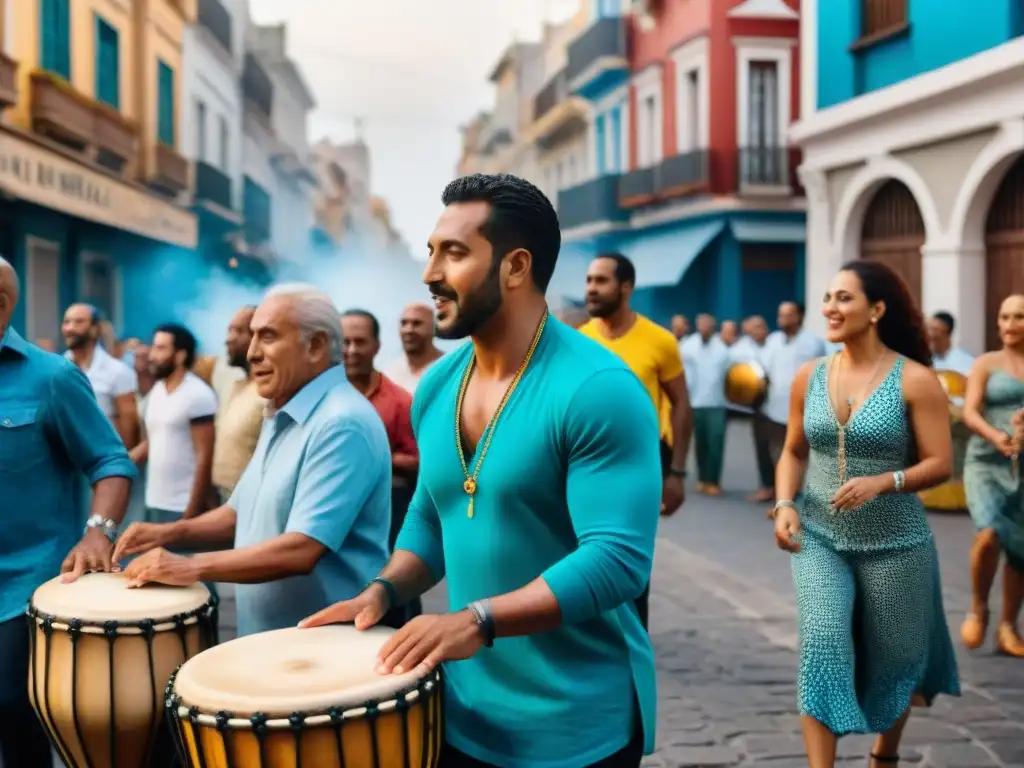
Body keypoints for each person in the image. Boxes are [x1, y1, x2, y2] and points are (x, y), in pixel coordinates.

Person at [301, 174, 658, 768]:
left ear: (516, 267)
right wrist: (382, 592)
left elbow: (618, 561)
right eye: (432, 251)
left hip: (574, 727)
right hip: (460, 714)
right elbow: (431, 514)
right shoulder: (438, 384)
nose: (430, 273)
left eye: (455, 253)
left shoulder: (598, 389)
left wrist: (477, 620)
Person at [113, 284, 392, 638]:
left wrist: (188, 565)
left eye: (269, 337)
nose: (253, 353)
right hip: (272, 642)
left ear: (317, 346)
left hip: (321, 653)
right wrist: (169, 533)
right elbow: (239, 512)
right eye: (253, 336)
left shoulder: (341, 423)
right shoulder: (282, 410)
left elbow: (301, 549)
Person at [772, 260, 959, 768]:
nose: (830, 308)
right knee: (823, 645)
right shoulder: (809, 376)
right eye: (828, 298)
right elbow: (792, 451)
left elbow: (941, 463)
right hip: (820, 537)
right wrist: (785, 505)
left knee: (896, 660)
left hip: (896, 543)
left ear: (876, 310)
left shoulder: (916, 380)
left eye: (844, 298)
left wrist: (886, 481)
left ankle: (884, 756)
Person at [0, 257, 137, 766]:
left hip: (23, 588)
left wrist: (98, 532)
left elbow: (110, 460)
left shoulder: (54, 377)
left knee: (14, 712)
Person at [578, 252, 692, 517]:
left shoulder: (660, 341)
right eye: (589, 281)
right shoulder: (579, 339)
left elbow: (681, 404)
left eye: (601, 281)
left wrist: (676, 472)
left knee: (629, 550)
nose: (591, 289)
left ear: (626, 287)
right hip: (585, 467)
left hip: (639, 467)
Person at [342, 308, 422, 624]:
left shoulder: (400, 401)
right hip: (339, 519)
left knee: (396, 587)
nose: (351, 350)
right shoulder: (324, 395)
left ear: (376, 346)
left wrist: (373, 456)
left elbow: (419, 462)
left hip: (389, 513)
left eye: (360, 342)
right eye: (345, 342)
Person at [960, 294, 1024, 657]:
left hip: (1023, 463)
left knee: (1020, 548)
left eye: (1019, 316)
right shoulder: (986, 363)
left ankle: (1008, 626)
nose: (1011, 324)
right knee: (989, 533)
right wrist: (994, 435)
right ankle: (978, 606)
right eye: (1005, 316)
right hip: (986, 459)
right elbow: (969, 412)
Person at [133, 324, 217, 524]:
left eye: (161, 348)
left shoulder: (198, 394)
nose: (152, 355)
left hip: (182, 506)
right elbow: (154, 440)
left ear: (180, 355)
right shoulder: (158, 390)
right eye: (153, 347)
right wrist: (121, 463)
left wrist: (192, 510)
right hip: (153, 501)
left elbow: (204, 455)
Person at [761, 302, 827, 509]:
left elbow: (821, 374)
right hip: (775, 408)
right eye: (781, 315)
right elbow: (764, 370)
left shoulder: (813, 343)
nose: (783, 320)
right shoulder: (772, 341)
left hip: (804, 409)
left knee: (799, 454)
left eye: (788, 315)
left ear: (799, 317)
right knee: (778, 453)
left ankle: (797, 498)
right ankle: (784, 498)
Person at [62, 302, 140, 447]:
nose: (70, 328)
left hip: (103, 460)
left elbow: (129, 425)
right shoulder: (57, 370)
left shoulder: (118, 371)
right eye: (67, 322)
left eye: (79, 322)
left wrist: (120, 464)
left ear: (94, 329)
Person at [211, 306, 265, 505]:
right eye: (229, 331)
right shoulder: (237, 386)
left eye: (238, 331)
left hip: (249, 503)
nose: (229, 339)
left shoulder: (267, 393)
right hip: (222, 499)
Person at [681, 314, 730, 494]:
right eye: (701, 324)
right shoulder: (687, 346)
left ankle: (713, 481)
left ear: (713, 326)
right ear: (697, 325)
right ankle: (702, 478)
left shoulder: (723, 348)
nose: (705, 327)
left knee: (715, 442)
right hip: (695, 402)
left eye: (708, 324)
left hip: (717, 402)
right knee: (700, 443)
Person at [384, 302, 444, 394]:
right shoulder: (391, 373)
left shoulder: (447, 369)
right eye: (404, 323)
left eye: (417, 323)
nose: (408, 330)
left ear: (434, 328)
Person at [928, 311, 975, 376]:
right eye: (928, 329)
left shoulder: (964, 361)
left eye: (935, 330)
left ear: (947, 332)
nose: (930, 334)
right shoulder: (926, 359)